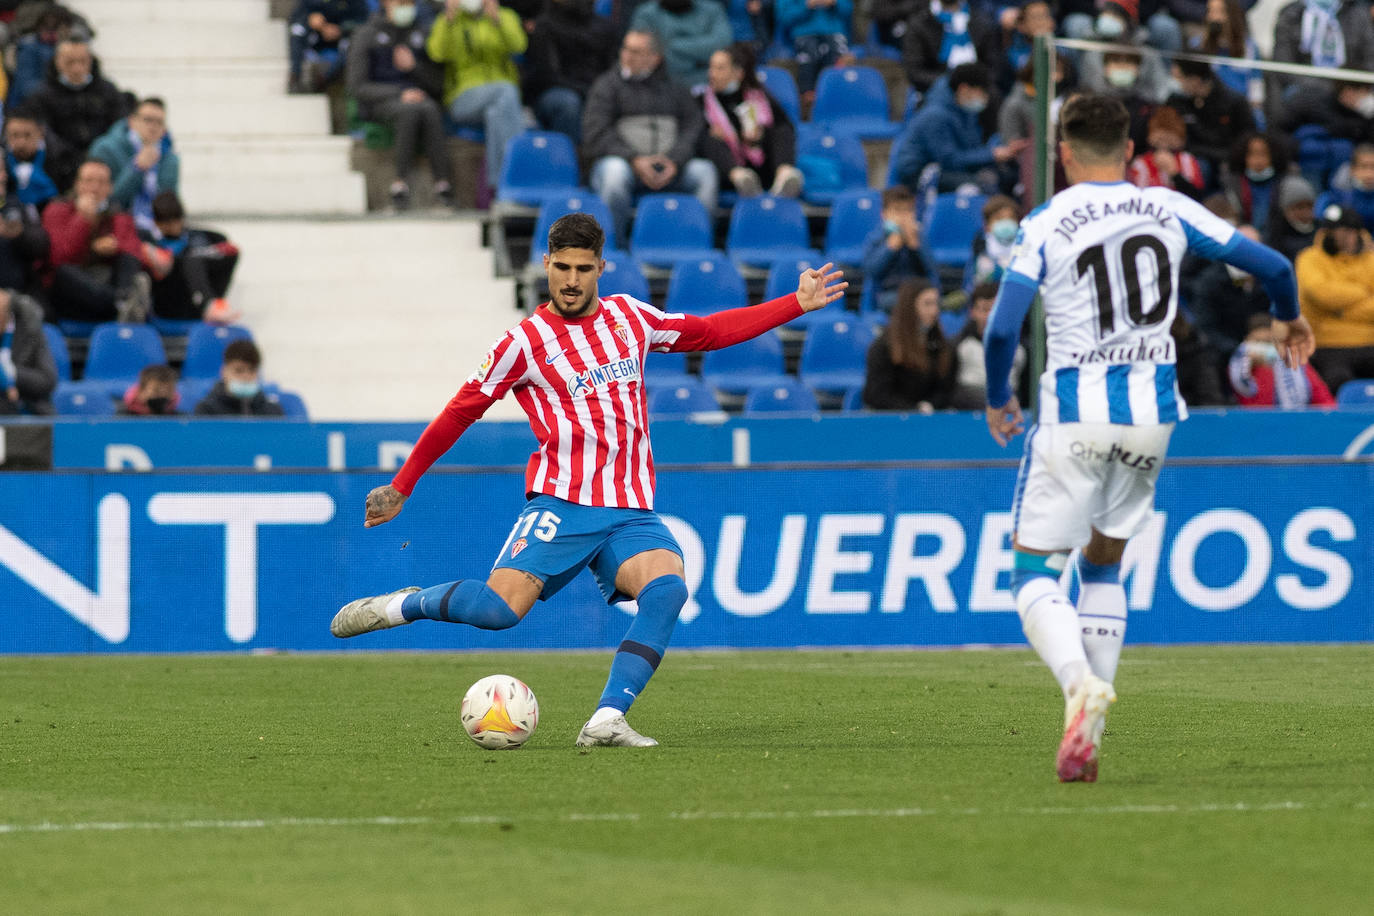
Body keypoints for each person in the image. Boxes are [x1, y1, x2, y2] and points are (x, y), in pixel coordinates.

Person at [333, 213, 846, 747]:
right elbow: (461, 411)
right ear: (546, 265)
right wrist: (403, 484)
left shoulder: (630, 318)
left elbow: (710, 332)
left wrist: (795, 304)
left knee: (668, 590)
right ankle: (399, 606)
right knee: (496, 612)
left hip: (630, 510)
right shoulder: (523, 343)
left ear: (602, 267)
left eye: (583, 268)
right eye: (562, 267)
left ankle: (607, 719)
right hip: (564, 502)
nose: (571, 280)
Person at [982, 92, 1312, 783]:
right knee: (1103, 563)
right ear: (1130, 150)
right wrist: (1286, 321)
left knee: (1033, 572)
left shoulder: (1046, 221)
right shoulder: (1168, 206)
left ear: (1064, 154)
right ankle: (1089, 735)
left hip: (1076, 410)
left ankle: (1077, 682)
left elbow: (1002, 328)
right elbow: (1277, 268)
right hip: (1151, 414)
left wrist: (996, 396)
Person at [582, 29, 718, 243]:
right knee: (613, 176)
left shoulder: (676, 87)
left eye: (636, 51)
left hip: (670, 166)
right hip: (626, 164)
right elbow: (596, 133)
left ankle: (698, 248)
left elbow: (693, 127)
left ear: (655, 58)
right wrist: (634, 159)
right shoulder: (607, 86)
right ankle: (611, 251)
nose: (626, 56)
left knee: (705, 173)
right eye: (625, 49)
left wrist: (675, 160)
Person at [346, 0, 454, 211]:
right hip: (380, 102)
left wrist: (414, 67)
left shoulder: (420, 33)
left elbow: (438, 84)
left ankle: (443, 186)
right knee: (411, 110)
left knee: (429, 108)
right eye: (400, 2)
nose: (406, 6)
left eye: (409, 2)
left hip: (419, 99)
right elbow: (357, 87)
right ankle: (399, 185)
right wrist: (400, 93)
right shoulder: (366, 34)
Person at [426, 0, 527, 200]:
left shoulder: (505, 16)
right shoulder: (448, 20)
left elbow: (519, 46)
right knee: (506, 91)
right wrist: (449, 20)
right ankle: (516, 175)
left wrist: (497, 20)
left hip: (502, 99)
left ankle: (497, 186)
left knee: (496, 113)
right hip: (463, 97)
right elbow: (437, 53)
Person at [891, 62, 1027, 194]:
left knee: (1006, 177)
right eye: (981, 92)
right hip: (921, 173)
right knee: (983, 184)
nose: (985, 98)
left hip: (949, 169)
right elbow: (948, 160)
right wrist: (992, 155)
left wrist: (999, 151)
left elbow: (971, 148)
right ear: (964, 89)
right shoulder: (935, 116)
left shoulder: (965, 111)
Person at [42, 159, 151, 324]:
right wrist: (83, 220)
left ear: (110, 188)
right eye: (89, 181)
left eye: (101, 182)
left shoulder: (119, 215)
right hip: (71, 295)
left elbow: (134, 252)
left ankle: (124, 302)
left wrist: (116, 247)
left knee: (128, 260)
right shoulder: (57, 210)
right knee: (64, 272)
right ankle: (122, 304)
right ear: (77, 185)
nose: (94, 188)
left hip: (105, 286)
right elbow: (58, 258)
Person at [695, 43, 803, 198]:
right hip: (727, 171)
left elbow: (784, 126)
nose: (712, 74)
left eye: (720, 68)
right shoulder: (701, 100)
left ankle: (785, 175)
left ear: (738, 73)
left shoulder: (759, 97)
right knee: (708, 138)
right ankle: (741, 178)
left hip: (760, 165)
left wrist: (760, 135)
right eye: (711, 68)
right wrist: (712, 131)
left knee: (782, 130)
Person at [1296, 203, 1374, 393]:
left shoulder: (1370, 260)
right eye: (1335, 231)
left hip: (1369, 341)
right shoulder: (1309, 258)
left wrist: (1340, 310)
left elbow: (1329, 297)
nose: (1341, 236)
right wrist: (1364, 292)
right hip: (1326, 344)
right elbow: (1320, 292)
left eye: (1348, 231)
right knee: (1337, 378)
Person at [522, 0, 618, 143]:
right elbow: (547, 76)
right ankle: (572, 157)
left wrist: (599, 92)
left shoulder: (604, 27)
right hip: (554, 93)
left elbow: (613, 70)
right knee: (568, 103)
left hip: (595, 91)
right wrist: (587, 91)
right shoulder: (545, 25)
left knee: (614, 100)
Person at [145, 192, 240, 324]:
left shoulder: (203, 237)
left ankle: (211, 305)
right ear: (156, 223)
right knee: (190, 260)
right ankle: (209, 306)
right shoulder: (151, 242)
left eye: (176, 220)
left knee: (226, 254)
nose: (172, 226)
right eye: (166, 222)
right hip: (169, 302)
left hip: (196, 300)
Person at [88, 98, 180, 234]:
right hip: (115, 226)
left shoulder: (170, 159)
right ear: (132, 122)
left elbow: (169, 206)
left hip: (157, 228)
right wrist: (137, 169)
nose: (153, 127)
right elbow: (108, 200)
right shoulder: (105, 149)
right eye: (148, 120)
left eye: (159, 122)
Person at [861, 278, 953, 411]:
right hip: (891, 420)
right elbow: (876, 394)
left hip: (930, 420)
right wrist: (913, 410)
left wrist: (930, 405)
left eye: (936, 304)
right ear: (909, 307)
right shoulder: (884, 347)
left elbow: (945, 388)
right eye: (927, 304)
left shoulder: (941, 345)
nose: (934, 311)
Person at [29, 38, 129, 155]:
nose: (77, 69)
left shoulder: (108, 90)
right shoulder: (42, 94)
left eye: (82, 62)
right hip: (61, 160)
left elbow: (119, 125)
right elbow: (44, 131)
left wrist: (102, 150)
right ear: (57, 61)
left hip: (103, 156)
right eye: (69, 62)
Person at [1166, 59, 1254, 183]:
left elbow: (1246, 141)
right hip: (1188, 156)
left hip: (1225, 161)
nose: (1175, 83)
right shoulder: (1176, 101)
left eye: (1178, 78)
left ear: (1195, 80)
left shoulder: (1234, 103)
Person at [1272, 0, 1374, 98]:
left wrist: (1359, 91)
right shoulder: (1292, 14)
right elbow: (1284, 65)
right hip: (1307, 92)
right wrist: (1328, 89)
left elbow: (1370, 58)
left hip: (1351, 94)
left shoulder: (1357, 14)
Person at [1228, 313, 1334, 407]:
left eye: (1268, 343)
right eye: (1258, 342)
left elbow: (1324, 401)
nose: (1263, 350)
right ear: (1246, 341)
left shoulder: (1297, 366)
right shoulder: (1237, 370)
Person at [948, 280, 1023, 409]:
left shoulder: (1020, 348)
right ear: (972, 312)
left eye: (995, 309)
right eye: (984, 309)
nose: (989, 316)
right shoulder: (959, 346)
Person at [900, 0, 1000, 95]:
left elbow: (993, 66)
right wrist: (951, 84)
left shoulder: (981, 22)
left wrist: (976, 85)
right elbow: (914, 71)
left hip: (979, 91)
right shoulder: (919, 23)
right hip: (935, 91)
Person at [862, 185, 936, 312]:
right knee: (904, 302)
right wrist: (890, 248)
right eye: (897, 210)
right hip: (889, 294)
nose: (903, 217)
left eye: (908, 210)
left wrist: (916, 248)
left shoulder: (919, 237)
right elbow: (871, 270)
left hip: (918, 292)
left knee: (928, 302)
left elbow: (931, 270)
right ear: (884, 214)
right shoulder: (877, 237)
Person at [628, 0, 733, 89]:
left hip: (707, 85)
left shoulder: (712, 10)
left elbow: (722, 44)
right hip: (658, 86)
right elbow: (642, 53)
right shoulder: (646, 13)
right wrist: (699, 55)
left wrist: (671, 44)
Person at [4, 105, 80, 207]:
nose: (21, 142)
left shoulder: (63, 157)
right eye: (15, 135)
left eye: (27, 135)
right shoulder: (3, 160)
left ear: (41, 132)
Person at [288, 0, 371, 93]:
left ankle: (322, 80)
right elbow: (296, 16)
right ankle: (295, 76)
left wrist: (341, 29)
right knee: (297, 30)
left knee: (355, 44)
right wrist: (309, 19)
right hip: (316, 38)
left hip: (343, 38)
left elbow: (363, 20)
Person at [774, 0, 852, 96]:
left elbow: (848, 11)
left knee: (837, 52)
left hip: (835, 34)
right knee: (809, 52)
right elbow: (783, 17)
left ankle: (837, 94)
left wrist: (834, 3)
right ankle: (807, 95)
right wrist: (807, 5)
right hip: (803, 34)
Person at [0, 287, 58, 416]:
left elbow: (47, 381)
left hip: (28, 405)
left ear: (6, 316)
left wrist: (12, 373)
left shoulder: (31, 332)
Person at [1127, 105, 1204, 198]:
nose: (1164, 139)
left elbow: (1196, 197)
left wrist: (1175, 174)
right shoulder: (1140, 163)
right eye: (1159, 134)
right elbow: (1137, 196)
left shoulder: (1187, 160)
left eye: (1170, 134)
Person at [195, 339, 287, 417]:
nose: (246, 376)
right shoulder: (207, 411)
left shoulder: (272, 411)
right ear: (223, 372)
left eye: (252, 370)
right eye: (239, 370)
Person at [0, 165, 51, 297]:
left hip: (21, 296)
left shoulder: (14, 205)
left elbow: (42, 245)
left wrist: (21, 234)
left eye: (2, 169)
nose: (3, 176)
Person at [1221, 132, 1288, 232]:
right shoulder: (1232, 185)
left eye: (1263, 154)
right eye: (1252, 154)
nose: (1258, 160)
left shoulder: (1286, 184)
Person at [966, 194, 1021, 290]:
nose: (1006, 222)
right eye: (999, 218)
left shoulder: (1025, 247)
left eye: (1011, 218)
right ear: (987, 225)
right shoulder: (980, 246)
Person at [1316, 143, 1374, 231]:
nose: (1369, 174)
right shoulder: (1332, 198)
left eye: (1373, 167)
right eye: (1363, 167)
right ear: (1352, 169)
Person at [1266, 176, 1317, 262]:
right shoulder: (1274, 237)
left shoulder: (1321, 233)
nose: (1305, 213)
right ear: (1285, 209)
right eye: (1299, 207)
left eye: (1309, 206)